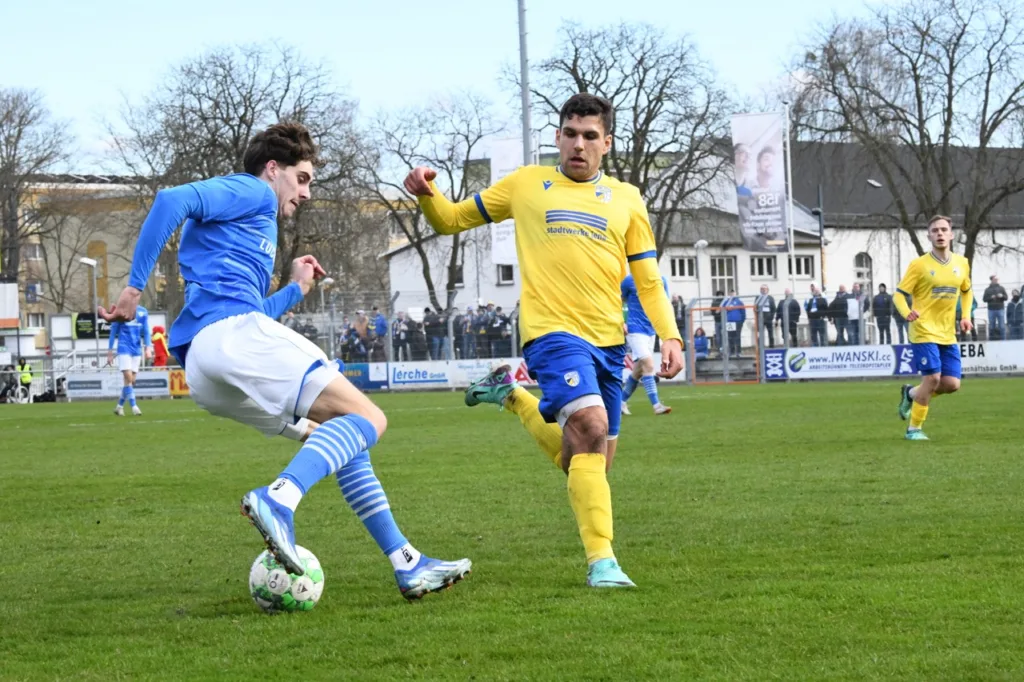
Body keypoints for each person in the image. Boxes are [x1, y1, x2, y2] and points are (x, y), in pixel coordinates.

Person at [100, 122, 469, 600]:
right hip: (229, 339)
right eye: (303, 177)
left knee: (340, 439)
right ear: (273, 169)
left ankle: (407, 562)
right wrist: (133, 287)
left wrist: (296, 289)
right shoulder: (252, 190)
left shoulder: (251, 222)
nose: (307, 192)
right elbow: (171, 200)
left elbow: (246, 312)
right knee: (369, 417)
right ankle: (279, 500)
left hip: (207, 367)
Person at [404, 93, 683, 588]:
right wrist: (426, 193)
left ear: (606, 143)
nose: (579, 144)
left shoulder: (627, 199)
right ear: (557, 137)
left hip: (607, 342)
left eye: (590, 136)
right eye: (570, 134)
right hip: (551, 333)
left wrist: (671, 335)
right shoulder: (528, 184)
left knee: (585, 458)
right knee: (591, 426)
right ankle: (603, 563)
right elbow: (451, 220)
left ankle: (511, 396)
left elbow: (648, 279)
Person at [895, 215, 973, 441]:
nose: (939, 234)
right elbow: (899, 295)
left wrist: (966, 316)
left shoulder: (961, 263)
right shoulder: (918, 265)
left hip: (947, 332)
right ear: (929, 236)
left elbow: (967, 291)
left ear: (951, 234)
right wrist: (906, 311)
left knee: (952, 384)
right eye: (935, 230)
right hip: (923, 330)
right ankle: (913, 430)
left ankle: (911, 393)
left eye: (943, 230)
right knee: (932, 379)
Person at [619, 273, 672, 416]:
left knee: (638, 370)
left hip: (651, 330)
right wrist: (621, 320)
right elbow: (619, 300)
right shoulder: (629, 280)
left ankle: (621, 402)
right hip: (634, 329)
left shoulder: (661, 280)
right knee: (648, 364)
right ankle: (656, 405)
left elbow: (664, 304)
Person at [107, 304, 153, 416]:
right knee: (129, 378)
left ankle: (119, 406)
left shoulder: (143, 312)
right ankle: (134, 407)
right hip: (124, 348)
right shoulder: (120, 311)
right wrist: (109, 352)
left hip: (136, 349)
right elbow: (113, 333)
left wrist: (148, 347)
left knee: (130, 381)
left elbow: (146, 331)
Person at [982, 275, 1008, 340]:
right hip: (991, 310)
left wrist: (1002, 296)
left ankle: (1003, 341)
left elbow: (1006, 298)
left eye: (997, 279)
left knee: (1002, 326)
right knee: (991, 326)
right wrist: (991, 297)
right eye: (995, 279)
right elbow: (984, 299)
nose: (996, 280)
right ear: (992, 280)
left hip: (1000, 309)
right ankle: (992, 340)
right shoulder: (987, 290)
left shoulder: (1001, 288)